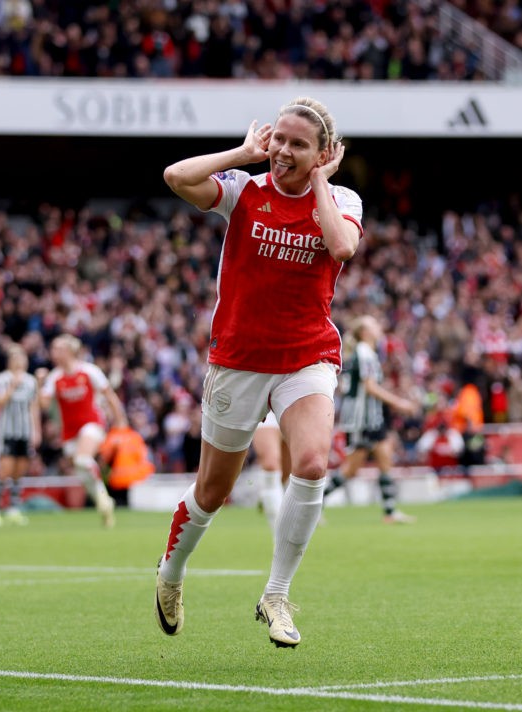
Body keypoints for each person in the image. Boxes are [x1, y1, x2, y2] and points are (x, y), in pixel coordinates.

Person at [154, 96, 361, 648]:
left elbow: (340, 246)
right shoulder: (245, 190)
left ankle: (276, 594)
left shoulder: (341, 198)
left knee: (313, 463)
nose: (283, 151)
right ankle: (171, 573)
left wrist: (318, 180)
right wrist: (243, 152)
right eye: (279, 139)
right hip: (239, 359)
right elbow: (176, 176)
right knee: (213, 491)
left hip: (306, 356)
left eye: (298, 144)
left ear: (323, 154)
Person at [325, 316, 420, 523]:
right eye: (374, 324)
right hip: (362, 419)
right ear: (365, 332)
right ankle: (314, 505)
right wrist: (399, 403)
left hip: (372, 418)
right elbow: (370, 387)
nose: (379, 327)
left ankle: (390, 512)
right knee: (350, 469)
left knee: (385, 458)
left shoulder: (365, 353)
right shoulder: (365, 353)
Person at [37, 334, 126, 528]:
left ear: (69, 351)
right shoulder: (54, 377)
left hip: (92, 423)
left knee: (82, 460)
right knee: (80, 468)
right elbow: (43, 405)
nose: (53, 353)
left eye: (57, 348)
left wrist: (120, 421)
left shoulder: (89, 371)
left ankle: (104, 499)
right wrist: (40, 383)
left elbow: (109, 396)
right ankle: (104, 501)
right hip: (69, 431)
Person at [0, 344, 40, 526]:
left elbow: (34, 407)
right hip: (8, 430)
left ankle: (13, 508)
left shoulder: (31, 381)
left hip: (24, 430)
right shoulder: (2, 379)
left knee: (20, 470)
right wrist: (13, 386)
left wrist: (36, 431)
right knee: (5, 469)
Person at [249, 411, 287, 531]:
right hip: (265, 405)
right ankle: (281, 537)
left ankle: (268, 496)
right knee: (270, 464)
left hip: (295, 403)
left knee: (288, 474)